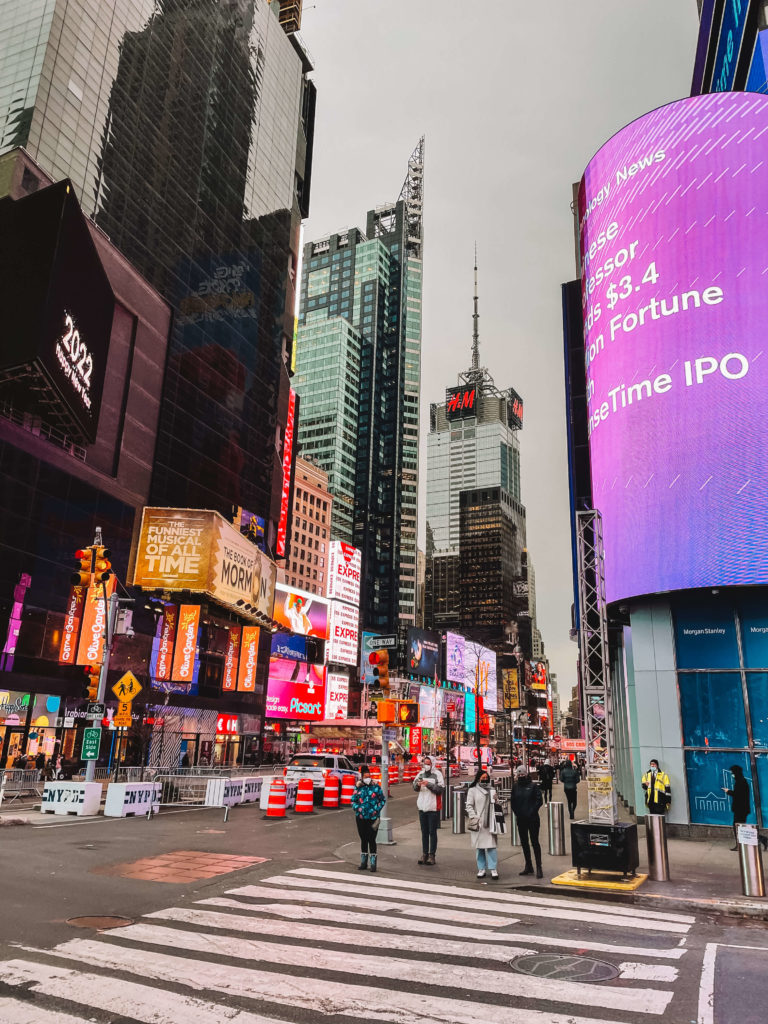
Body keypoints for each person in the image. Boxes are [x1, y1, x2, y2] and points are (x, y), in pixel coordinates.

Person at [466, 766, 501, 879]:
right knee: (480, 847)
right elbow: (469, 805)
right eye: (483, 777)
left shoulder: (492, 789)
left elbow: (497, 805)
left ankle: (493, 868)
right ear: (478, 779)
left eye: (486, 777)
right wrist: (474, 817)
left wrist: (496, 799)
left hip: (491, 822)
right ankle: (481, 868)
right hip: (479, 822)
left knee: (492, 847)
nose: (485, 779)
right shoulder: (473, 790)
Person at [510, 765, 544, 878]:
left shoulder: (533, 786)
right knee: (524, 843)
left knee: (535, 842)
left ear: (526, 774)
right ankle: (528, 865)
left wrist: (531, 812)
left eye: (522, 774)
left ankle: (539, 867)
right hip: (521, 819)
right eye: (519, 774)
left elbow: (539, 800)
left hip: (533, 819)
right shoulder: (515, 787)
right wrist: (517, 813)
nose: (521, 776)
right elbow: (513, 802)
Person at [351, 764, 386, 871]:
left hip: (373, 818)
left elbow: (382, 800)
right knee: (363, 839)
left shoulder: (376, 786)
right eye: (365, 777)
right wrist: (358, 808)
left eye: (368, 776)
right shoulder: (358, 787)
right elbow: (353, 800)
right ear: (362, 776)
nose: (367, 778)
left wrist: (376, 809)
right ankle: (363, 862)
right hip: (361, 817)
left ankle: (373, 862)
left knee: (372, 839)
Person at [413, 755, 444, 865]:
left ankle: (432, 855)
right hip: (422, 806)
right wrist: (417, 784)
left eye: (428, 763)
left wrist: (428, 784)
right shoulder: (420, 774)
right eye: (425, 763)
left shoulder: (438, 774)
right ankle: (424, 853)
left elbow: (440, 789)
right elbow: (414, 787)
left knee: (432, 832)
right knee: (424, 832)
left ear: (433, 764)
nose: (426, 765)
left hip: (433, 807)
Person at [724, 764, 751, 851]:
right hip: (742, 809)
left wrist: (728, 791)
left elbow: (738, 795)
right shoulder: (742, 781)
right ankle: (741, 844)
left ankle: (740, 845)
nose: (732, 775)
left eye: (733, 773)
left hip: (740, 809)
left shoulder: (740, 782)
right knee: (740, 826)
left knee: (738, 827)